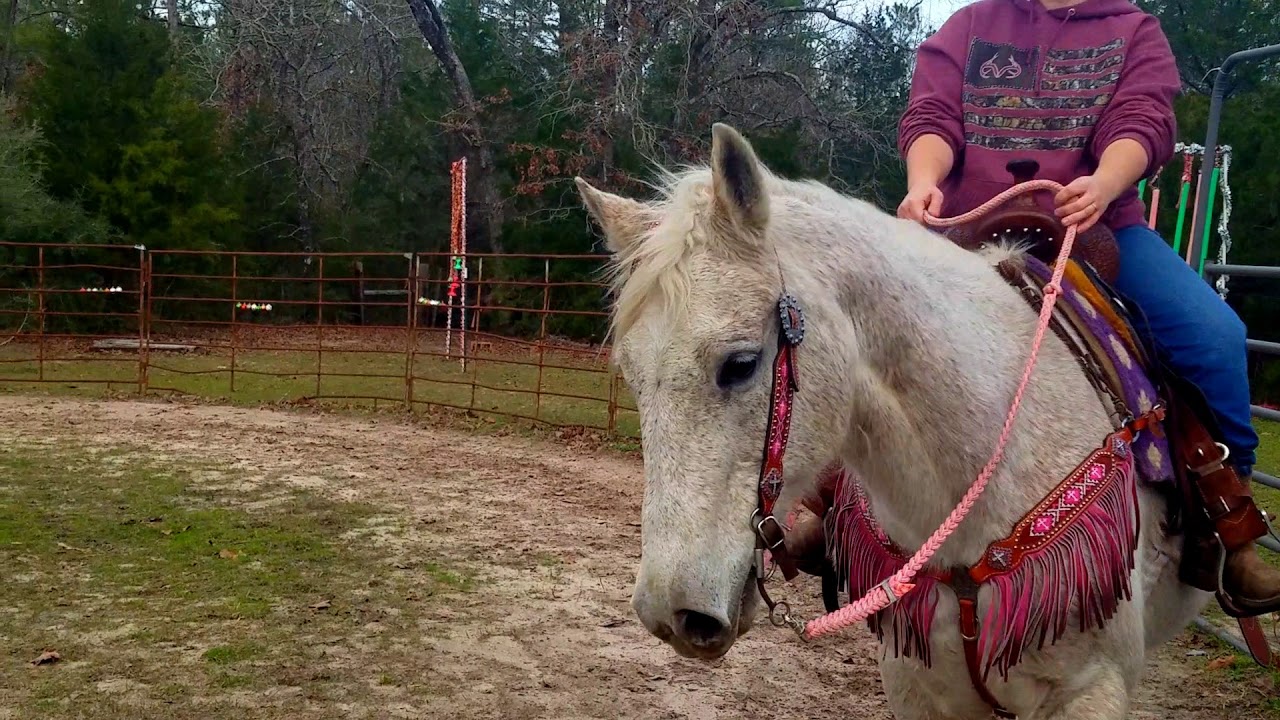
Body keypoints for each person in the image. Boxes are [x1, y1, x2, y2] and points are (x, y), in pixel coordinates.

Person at [892, 0, 1279, 616]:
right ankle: (824, 512)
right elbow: (933, 115)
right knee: (866, 323)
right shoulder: (970, 24)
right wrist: (923, 182)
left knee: (1214, 338)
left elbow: (1143, 120)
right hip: (968, 225)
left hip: (1099, 226)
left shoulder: (1132, 29)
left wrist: (1104, 182)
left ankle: (1227, 527)